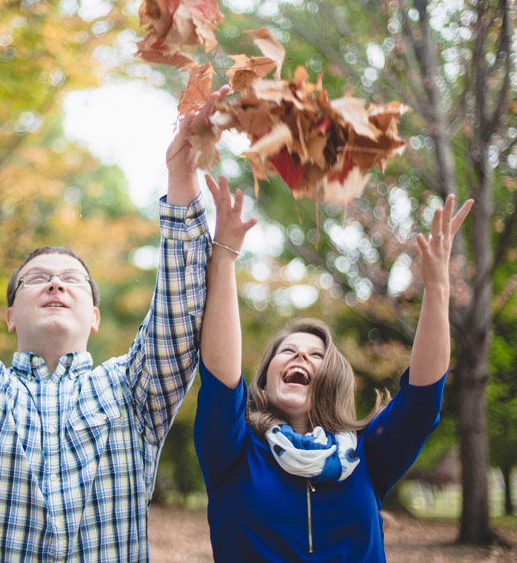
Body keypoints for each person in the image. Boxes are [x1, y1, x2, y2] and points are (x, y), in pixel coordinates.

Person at [0, 63, 228, 561]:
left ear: (95, 316)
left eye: (72, 279)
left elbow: (181, 308)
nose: (55, 282)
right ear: (10, 315)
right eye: (36, 279)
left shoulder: (133, 393)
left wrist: (183, 173)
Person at [195, 175, 473, 561]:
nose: (300, 357)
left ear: (333, 379)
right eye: (287, 351)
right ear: (265, 377)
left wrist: (437, 288)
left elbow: (423, 400)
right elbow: (221, 380)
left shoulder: (366, 455)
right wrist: (224, 259)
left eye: (316, 355)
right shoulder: (234, 448)